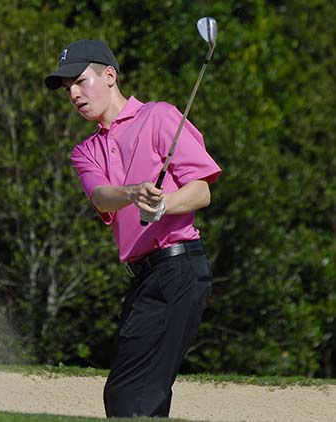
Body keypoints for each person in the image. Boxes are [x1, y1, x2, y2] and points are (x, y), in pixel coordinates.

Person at [44, 39, 221, 418]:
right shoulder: (85, 150)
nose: (73, 93)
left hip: (179, 268)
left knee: (132, 394)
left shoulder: (159, 116)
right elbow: (102, 197)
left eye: (79, 80)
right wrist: (132, 192)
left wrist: (164, 204)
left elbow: (201, 190)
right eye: (67, 88)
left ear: (109, 75)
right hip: (145, 278)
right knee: (135, 394)